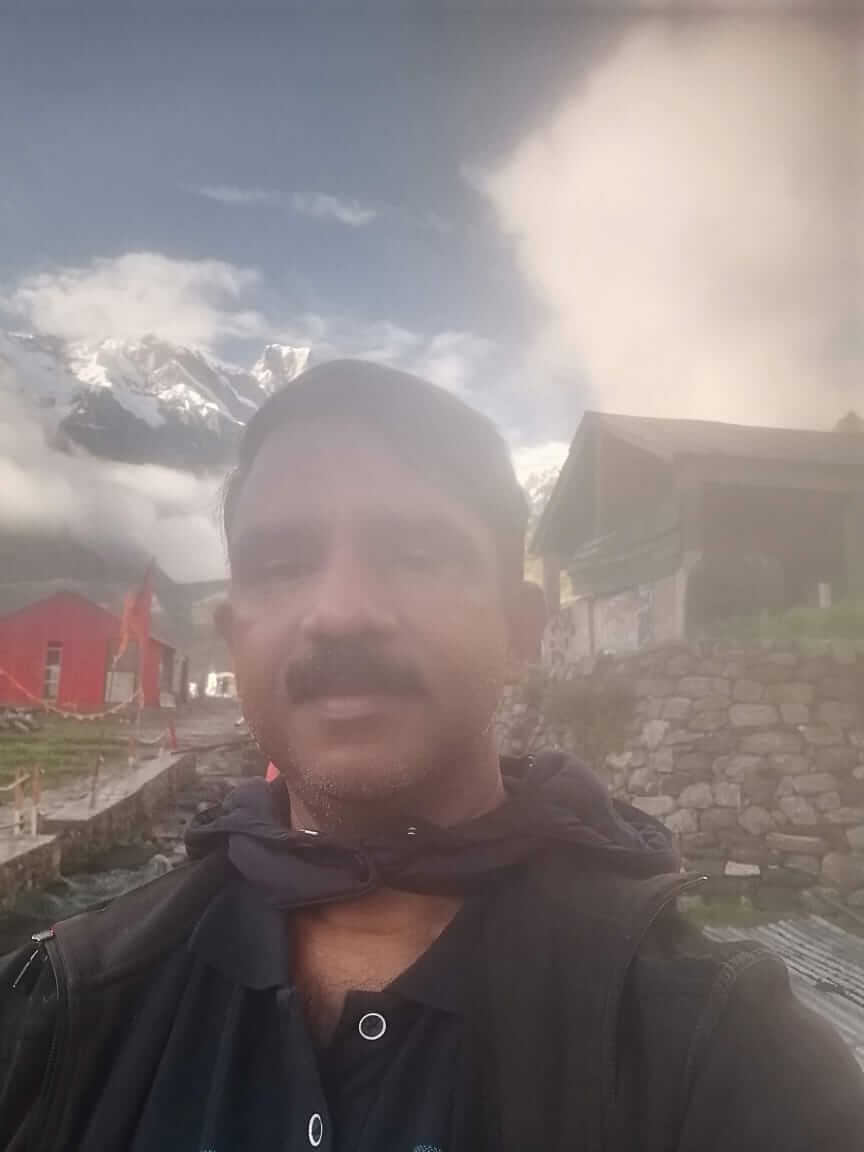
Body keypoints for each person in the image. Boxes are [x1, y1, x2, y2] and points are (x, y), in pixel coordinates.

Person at [2, 360, 863, 1152]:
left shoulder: (720, 1053)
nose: (341, 612)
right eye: (283, 564)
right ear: (237, 638)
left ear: (520, 632)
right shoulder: (65, 1009)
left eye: (415, 555)